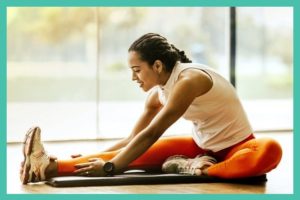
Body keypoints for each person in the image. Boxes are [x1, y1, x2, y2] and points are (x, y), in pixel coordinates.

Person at [20, 33, 282, 184]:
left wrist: (112, 168)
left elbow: (153, 132)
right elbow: (133, 140)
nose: (134, 78)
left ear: (157, 65)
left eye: (137, 70)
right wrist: (95, 156)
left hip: (239, 148)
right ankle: (44, 167)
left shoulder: (189, 80)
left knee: (271, 150)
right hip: (200, 148)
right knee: (129, 153)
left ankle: (197, 168)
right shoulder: (157, 94)